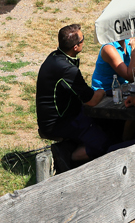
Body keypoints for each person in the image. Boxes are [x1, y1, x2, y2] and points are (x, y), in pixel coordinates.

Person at [36, 24, 108, 164]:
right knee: (102, 143)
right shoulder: (67, 69)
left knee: (99, 125)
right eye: (83, 40)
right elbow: (91, 101)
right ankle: (68, 157)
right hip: (58, 123)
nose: (83, 42)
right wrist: (102, 91)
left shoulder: (55, 57)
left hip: (54, 117)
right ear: (76, 47)